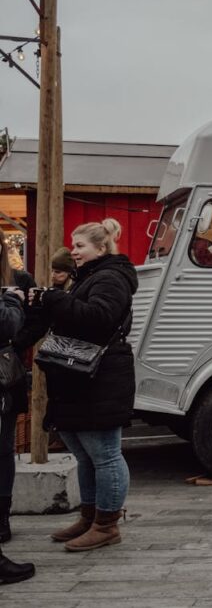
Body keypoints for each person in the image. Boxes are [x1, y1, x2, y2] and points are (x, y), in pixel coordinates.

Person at [24, 219, 137, 552]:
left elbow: (98, 319)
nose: (72, 251)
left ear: (100, 248)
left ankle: (106, 524)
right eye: (72, 245)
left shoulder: (111, 278)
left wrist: (54, 299)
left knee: (104, 455)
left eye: (79, 246)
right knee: (85, 455)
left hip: (100, 378)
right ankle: (90, 517)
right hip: (83, 379)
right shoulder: (88, 277)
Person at [0, 230, 35, 547]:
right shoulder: (13, 288)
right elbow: (8, 323)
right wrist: (11, 299)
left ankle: (2, 520)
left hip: (6, 376)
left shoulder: (21, 278)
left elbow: (28, 323)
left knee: (4, 450)